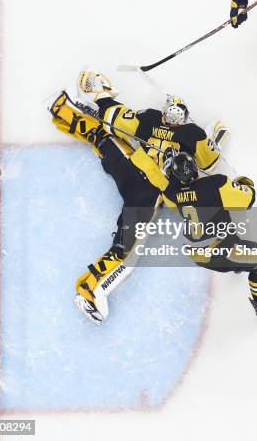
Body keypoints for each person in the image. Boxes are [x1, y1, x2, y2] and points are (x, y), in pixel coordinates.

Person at [48, 68, 229, 324]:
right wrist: (214, 139)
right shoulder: (193, 134)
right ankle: (90, 289)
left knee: (103, 138)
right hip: (148, 194)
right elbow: (209, 163)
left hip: (130, 167)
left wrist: (102, 97)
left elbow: (116, 118)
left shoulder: (151, 118)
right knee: (126, 252)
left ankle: (63, 110)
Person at [159, 151, 257, 324]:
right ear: (195, 168)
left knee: (228, 235)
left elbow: (171, 190)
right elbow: (250, 199)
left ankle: (236, 265)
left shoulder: (172, 193)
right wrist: (241, 185)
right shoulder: (215, 184)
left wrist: (169, 167)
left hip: (197, 255)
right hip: (219, 252)